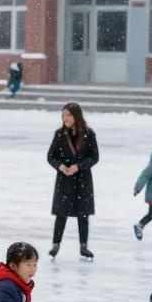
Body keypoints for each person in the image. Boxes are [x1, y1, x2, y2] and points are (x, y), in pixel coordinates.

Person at [47, 102, 99, 261]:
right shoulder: (59, 134)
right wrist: (61, 166)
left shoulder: (89, 134)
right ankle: (56, 244)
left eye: (68, 115)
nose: (65, 118)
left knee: (83, 214)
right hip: (65, 179)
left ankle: (83, 246)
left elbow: (94, 157)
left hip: (82, 179)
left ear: (76, 116)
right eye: (63, 115)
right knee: (61, 213)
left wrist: (79, 166)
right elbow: (51, 156)